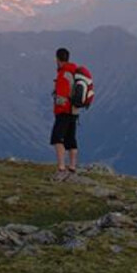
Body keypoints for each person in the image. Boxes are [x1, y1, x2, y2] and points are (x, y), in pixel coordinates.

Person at [50, 47, 79, 181]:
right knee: (71, 139)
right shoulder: (74, 71)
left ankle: (61, 168)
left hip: (64, 112)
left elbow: (62, 96)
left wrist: (57, 103)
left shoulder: (63, 74)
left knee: (57, 138)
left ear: (58, 59)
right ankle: (72, 168)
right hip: (74, 111)